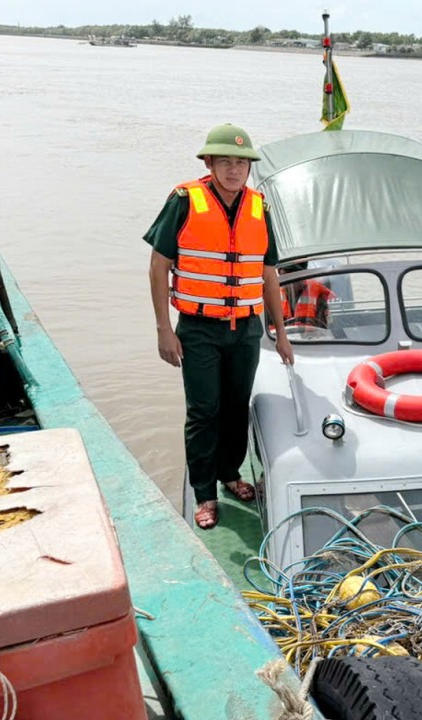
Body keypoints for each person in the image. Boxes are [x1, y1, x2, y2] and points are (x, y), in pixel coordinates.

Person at [144, 123, 294, 530]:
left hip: (245, 329)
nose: (233, 170)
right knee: (203, 410)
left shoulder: (259, 206)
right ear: (209, 163)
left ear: (249, 168)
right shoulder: (184, 200)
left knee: (235, 407)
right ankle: (204, 492)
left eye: (241, 163)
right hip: (199, 328)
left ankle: (231, 475)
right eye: (225, 161)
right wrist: (163, 329)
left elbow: (268, 273)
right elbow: (159, 265)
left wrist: (279, 332)